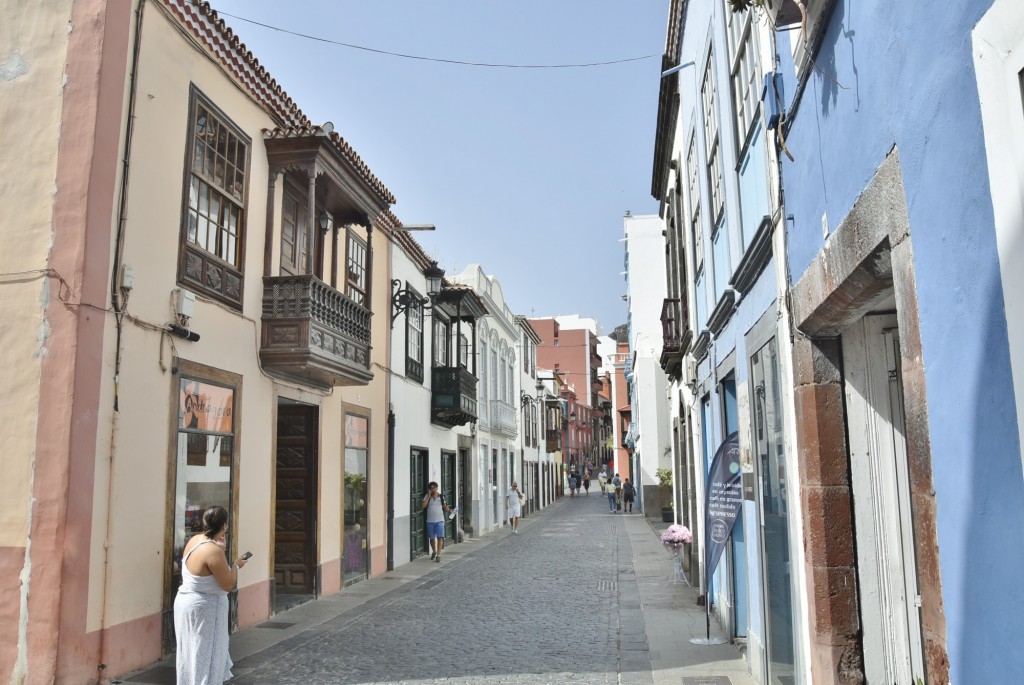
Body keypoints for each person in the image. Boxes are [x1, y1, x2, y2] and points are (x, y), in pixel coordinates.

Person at [174, 505, 248, 685]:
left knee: (190, 653)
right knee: (208, 655)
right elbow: (228, 584)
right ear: (224, 526)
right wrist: (236, 565)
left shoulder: (195, 540)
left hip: (185, 602)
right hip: (206, 608)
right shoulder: (213, 551)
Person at [422, 482, 451, 562]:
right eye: (431, 488)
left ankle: (438, 555)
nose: (433, 489)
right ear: (429, 489)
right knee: (431, 538)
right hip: (430, 521)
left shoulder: (441, 497)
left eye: (434, 487)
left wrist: (449, 509)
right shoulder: (427, 496)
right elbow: (423, 506)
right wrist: (428, 496)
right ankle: (434, 551)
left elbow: (445, 507)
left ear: (437, 488)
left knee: (440, 537)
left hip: (440, 520)